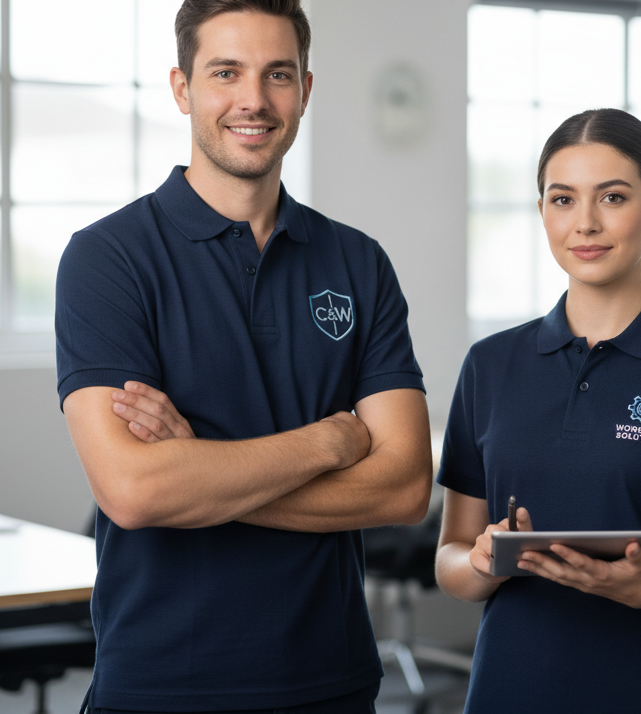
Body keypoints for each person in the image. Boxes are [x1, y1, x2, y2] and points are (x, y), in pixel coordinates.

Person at [55, 1, 432, 712]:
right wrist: (328, 440)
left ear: (305, 91)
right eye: (226, 72)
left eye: (277, 75)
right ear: (182, 87)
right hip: (162, 682)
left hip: (331, 680)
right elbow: (135, 491)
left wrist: (200, 468)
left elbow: (404, 488)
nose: (253, 100)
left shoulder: (357, 262)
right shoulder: (108, 258)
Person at [433, 108, 641, 713]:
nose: (584, 223)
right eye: (562, 199)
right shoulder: (490, 364)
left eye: (612, 197)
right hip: (509, 689)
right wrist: (483, 560)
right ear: (543, 212)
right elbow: (450, 560)